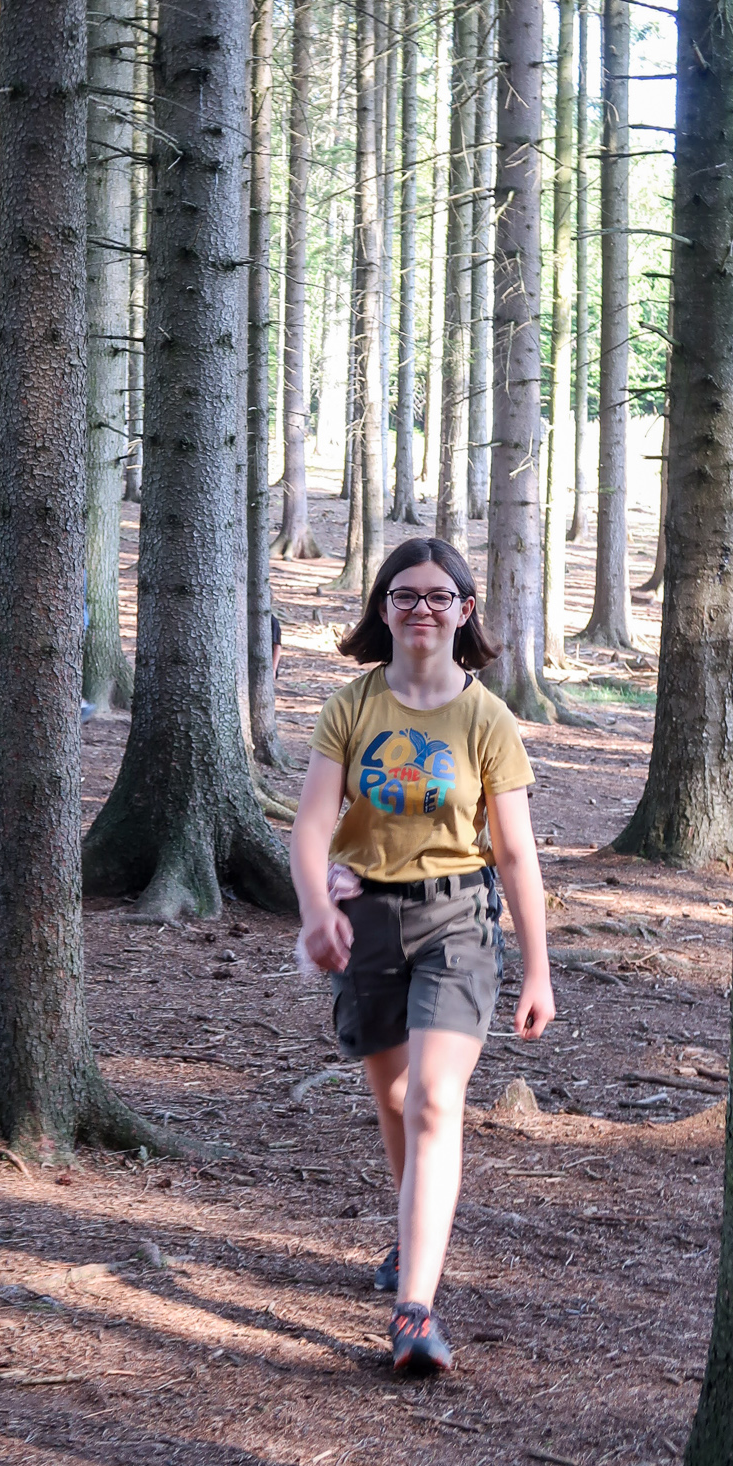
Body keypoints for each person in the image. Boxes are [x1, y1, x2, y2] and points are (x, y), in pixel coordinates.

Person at [290, 537, 554, 1377]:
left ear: (464, 610)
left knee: (436, 1102)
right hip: (365, 919)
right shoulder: (352, 706)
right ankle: (412, 1237)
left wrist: (538, 968)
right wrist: (314, 913)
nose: (421, 610)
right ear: (382, 607)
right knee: (398, 1099)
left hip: (456, 920)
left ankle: (415, 1310)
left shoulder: (486, 718)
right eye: (404, 595)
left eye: (440, 596)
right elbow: (309, 826)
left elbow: (514, 853)